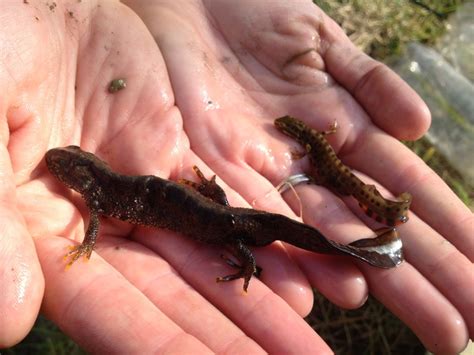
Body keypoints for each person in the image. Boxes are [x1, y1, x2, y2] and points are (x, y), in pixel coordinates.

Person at [1, 0, 472, 353]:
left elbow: (97, 223)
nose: (60, 171)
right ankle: (365, 249)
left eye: (64, 166)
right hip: (221, 213)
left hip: (230, 224)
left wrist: (87, 244)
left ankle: (346, 253)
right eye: (63, 166)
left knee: (235, 235)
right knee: (224, 219)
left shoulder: (99, 199)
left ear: (85, 175)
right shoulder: (103, 188)